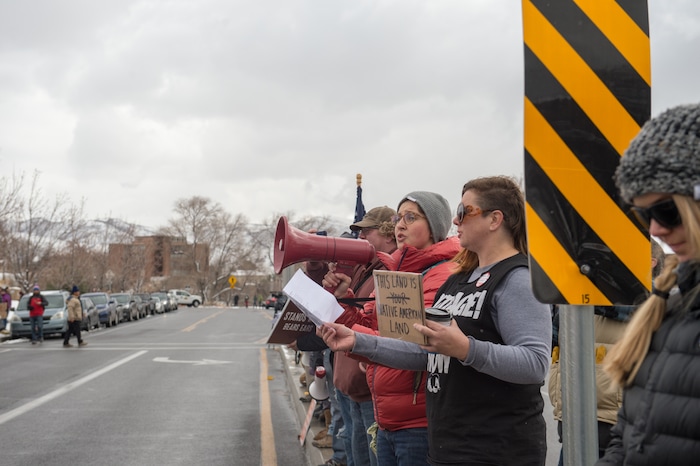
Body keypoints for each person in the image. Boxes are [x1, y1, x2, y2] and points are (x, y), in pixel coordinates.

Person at [320, 176, 552, 465]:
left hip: (497, 450)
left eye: (464, 211)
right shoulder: (458, 280)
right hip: (449, 445)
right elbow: (423, 351)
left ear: (495, 219)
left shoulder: (517, 278)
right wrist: (357, 340)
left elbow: (534, 363)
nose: (456, 220)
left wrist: (466, 348)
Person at [595, 103, 700, 465]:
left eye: (666, 211)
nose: (655, 229)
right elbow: (627, 436)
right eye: (643, 214)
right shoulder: (667, 309)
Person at [322, 192, 461, 466]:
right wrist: (343, 302)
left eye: (411, 217)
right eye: (399, 218)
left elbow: (415, 345)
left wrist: (356, 340)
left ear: (434, 226)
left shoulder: (442, 276)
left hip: (417, 422)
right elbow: (374, 328)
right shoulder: (397, 274)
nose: (400, 225)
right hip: (388, 416)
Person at [550, 239, 666, 464]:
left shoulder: (650, 302)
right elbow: (554, 340)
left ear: (650, 262)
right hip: (572, 416)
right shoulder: (583, 297)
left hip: (613, 424)